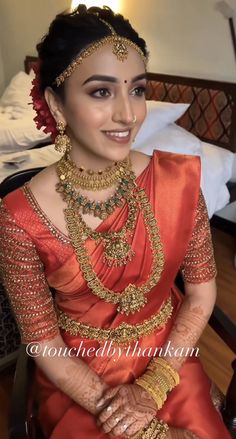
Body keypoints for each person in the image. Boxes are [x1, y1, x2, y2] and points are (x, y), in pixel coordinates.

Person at [0, 5, 231, 439]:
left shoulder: (180, 184)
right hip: (77, 373)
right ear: (57, 103)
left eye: (138, 90)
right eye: (102, 92)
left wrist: (155, 384)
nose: (129, 115)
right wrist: (142, 429)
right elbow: (43, 344)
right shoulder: (18, 217)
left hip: (170, 358)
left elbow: (200, 292)